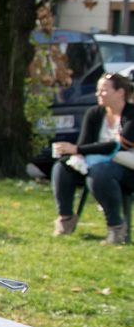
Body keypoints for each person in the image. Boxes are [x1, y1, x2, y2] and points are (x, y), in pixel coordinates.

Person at [51, 72, 134, 244]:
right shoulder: (95, 113)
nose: (99, 94)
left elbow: (119, 145)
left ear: (120, 92)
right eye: (98, 90)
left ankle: (116, 227)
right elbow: (83, 145)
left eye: (104, 90)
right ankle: (65, 218)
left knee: (100, 173)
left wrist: (77, 149)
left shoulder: (131, 115)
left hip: (127, 168)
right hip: (96, 164)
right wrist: (71, 152)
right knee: (62, 167)